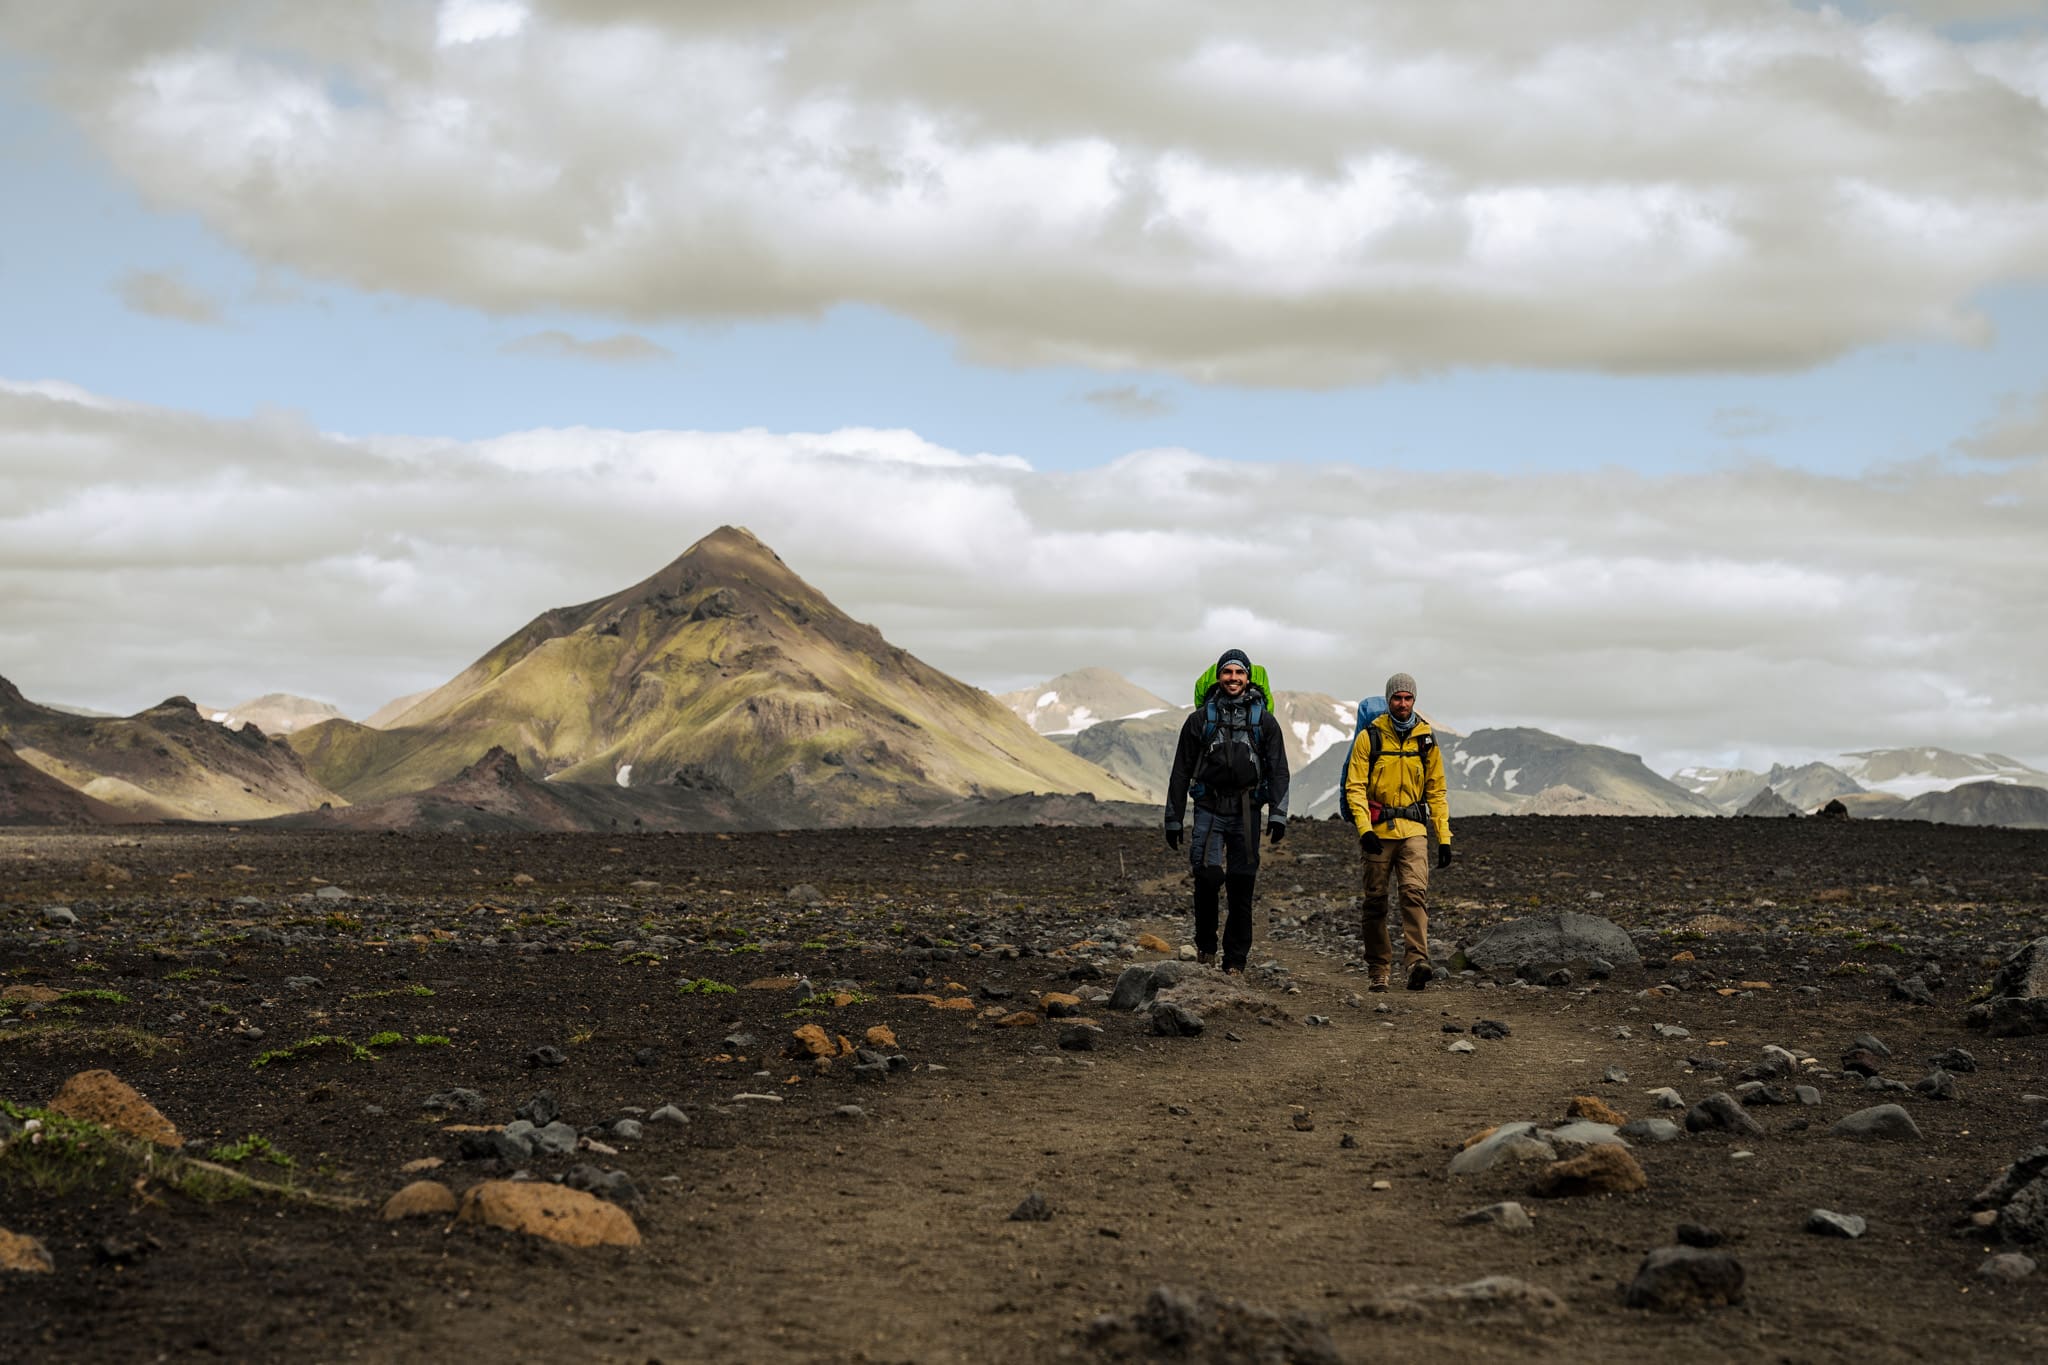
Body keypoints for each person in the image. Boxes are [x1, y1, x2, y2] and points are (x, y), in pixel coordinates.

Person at [1163, 649, 1291, 974]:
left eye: (1239, 673)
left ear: (1248, 678)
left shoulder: (1264, 721)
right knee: (1207, 877)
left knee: (1241, 885)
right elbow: (1181, 770)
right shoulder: (1199, 720)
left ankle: (1235, 960)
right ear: (1219, 677)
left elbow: (1278, 770)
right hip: (1209, 807)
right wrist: (1173, 818)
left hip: (1248, 810)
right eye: (1227, 672)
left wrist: (1278, 814)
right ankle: (1206, 946)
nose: (1233, 678)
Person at [1342, 672, 1452, 991]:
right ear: (1388, 700)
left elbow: (1437, 791)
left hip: (1414, 830)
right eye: (1397, 698)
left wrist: (1443, 837)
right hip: (1378, 831)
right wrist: (1364, 829)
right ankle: (1379, 968)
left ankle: (1417, 961)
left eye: (1408, 698)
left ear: (1414, 700)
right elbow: (1356, 787)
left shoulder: (1426, 738)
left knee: (1414, 893)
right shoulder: (1370, 737)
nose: (1402, 703)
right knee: (1375, 901)